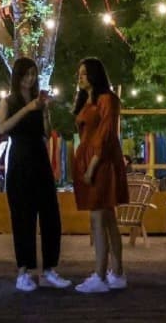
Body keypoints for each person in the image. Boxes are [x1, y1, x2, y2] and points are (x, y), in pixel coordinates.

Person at [0, 57, 71, 293]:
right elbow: (3, 128)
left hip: (40, 158)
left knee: (50, 214)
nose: (30, 79)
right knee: (23, 216)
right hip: (19, 159)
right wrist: (27, 109)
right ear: (18, 76)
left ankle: (49, 269)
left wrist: (46, 112)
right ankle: (23, 272)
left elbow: (47, 134)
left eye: (33, 74)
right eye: (26, 74)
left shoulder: (39, 101)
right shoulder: (8, 101)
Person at [72, 57, 129, 294]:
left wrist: (92, 166)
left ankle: (100, 275)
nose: (80, 77)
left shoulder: (107, 99)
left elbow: (105, 135)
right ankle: (115, 272)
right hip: (91, 158)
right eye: (80, 73)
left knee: (99, 217)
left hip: (101, 162)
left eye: (84, 73)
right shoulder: (88, 100)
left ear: (94, 75)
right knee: (107, 218)